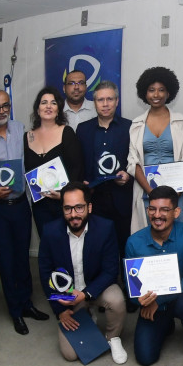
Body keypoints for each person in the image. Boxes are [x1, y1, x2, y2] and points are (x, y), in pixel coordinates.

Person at [0, 90, 49, 335]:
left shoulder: (22, 131)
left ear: (10, 106)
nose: (1, 110)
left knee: (22, 260)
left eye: (5, 105)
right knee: (6, 262)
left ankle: (27, 303)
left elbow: (35, 160)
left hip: (21, 206)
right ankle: (15, 312)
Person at [37, 183, 128, 364]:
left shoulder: (105, 227)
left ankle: (113, 338)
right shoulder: (50, 231)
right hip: (69, 296)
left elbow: (111, 270)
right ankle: (87, 314)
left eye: (79, 207)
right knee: (70, 355)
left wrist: (86, 294)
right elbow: (45, 272)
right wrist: (60, 311)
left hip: (96, 287)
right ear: (62, 209)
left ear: (89, 207)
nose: (73, 214)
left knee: (117, 300)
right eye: (68, 208)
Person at [126, 187, 183, 366]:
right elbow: (131, 290)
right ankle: (165, 324)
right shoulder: (134, 242)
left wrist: (157, 300)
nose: (157, 215)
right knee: (145, 358)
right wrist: (140, 301)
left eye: (164, 209)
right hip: (153, 305)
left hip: (181, 299)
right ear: (147, 211)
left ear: (176, 212)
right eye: (152, 209)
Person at [126, 67, 183, 238]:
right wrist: (151, 193)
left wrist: (175, 195)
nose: (156, 95)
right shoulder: (136, 124)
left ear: (169, 92)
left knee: (179, 238)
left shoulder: (180, 121)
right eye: (151, 90)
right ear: (144, 93)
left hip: (177, 193)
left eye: (161, 90)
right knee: (148, 238)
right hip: (147, 192)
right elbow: (133, 163)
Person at [75, 80, 133, 255]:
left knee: (125, 246)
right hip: (95, 199)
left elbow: (136, 160)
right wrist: (82, 181)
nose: (105, 104)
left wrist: (128, 174)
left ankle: (125, 282)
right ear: (94, 103)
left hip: (122, 198)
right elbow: (79, 162)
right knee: (98, 247)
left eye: (110, 99)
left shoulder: (130, 127)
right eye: (100, 100)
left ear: (117, 101)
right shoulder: (83, 129)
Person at [24, 87, 84, 238]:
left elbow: (77, 168)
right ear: (37, 109)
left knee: (66, 245)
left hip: (64, 204)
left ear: (59, 109)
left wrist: (64, 195)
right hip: (39, 205)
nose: (48, 106)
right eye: (44, 102)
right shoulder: (27, 137)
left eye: (53, 103)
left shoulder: (67, 132)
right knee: (46, 246)